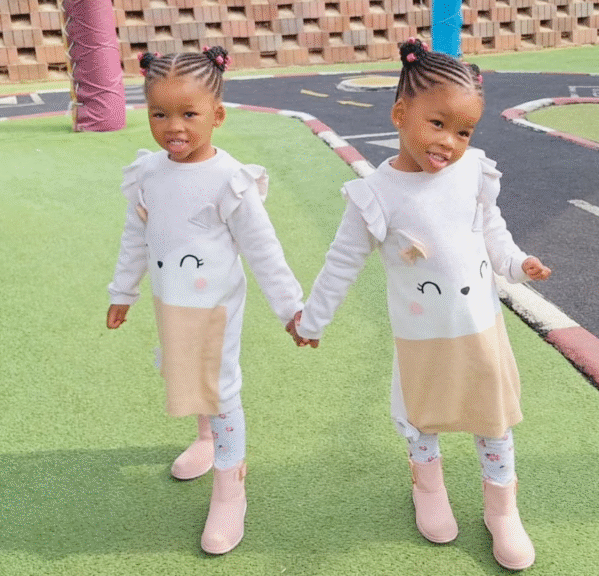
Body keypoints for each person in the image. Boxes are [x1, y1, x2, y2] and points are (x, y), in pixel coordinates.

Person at [291, 39, 552, 571]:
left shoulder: (474, 170)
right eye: (437, 125)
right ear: (400, 113)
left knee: (493, 419)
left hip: (479, 327)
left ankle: (502, 510)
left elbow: (491, 231)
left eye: (463, 131)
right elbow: (341, 263)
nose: (450, 143)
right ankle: (428, 489)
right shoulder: (376, 195)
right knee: (421, 418)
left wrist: (516, 263)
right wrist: (312, 319)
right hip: (421, 336)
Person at [106, 47, 304, 555]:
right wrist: (122, 292)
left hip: (216, 305)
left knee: (219, 383)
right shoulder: (148, 173)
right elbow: (135, 237)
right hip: (169, 299)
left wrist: (290, 308)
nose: (174, 126)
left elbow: (263, 250)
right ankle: (205, 438)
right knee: (182, 369)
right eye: (159, 113)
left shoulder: (229, 180)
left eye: (189, 114)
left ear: (217, 114)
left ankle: (230, 484)